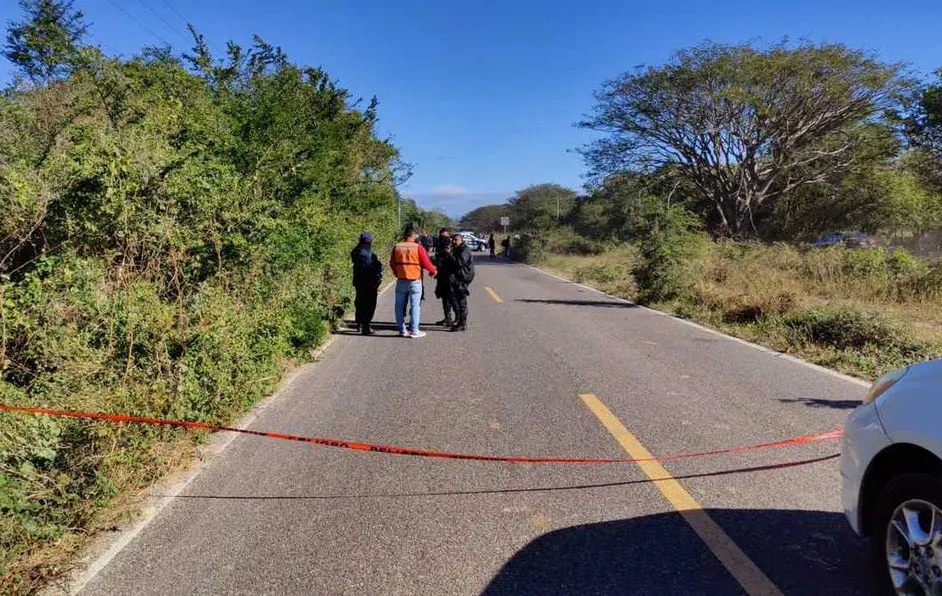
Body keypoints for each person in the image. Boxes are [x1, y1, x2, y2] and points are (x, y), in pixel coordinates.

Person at [390, 226, 437, 338]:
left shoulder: (397, 247)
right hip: (415, 280)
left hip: (401, 280)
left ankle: (402, 330)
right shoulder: (418, 248)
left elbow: (392, 263)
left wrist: (398, 274)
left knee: (399, 306)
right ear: (414, 235)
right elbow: (426, 263)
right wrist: (434, 271)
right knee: (415, 305)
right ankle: (415, 330)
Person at [440, 232, 474, 332]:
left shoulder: (465, 250)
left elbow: (459, 263)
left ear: (462, 240)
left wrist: (449, 254)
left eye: (456, 240)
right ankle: (460, 321)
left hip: (463, 278)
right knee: (457, 300)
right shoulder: (457, 249)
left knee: (462, 301)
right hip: (457, 278)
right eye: (453, 240)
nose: (454, 242)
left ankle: (463, 324)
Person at [350, 232, 382, 335]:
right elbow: (376, 266)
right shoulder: (368, 254)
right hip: (369, 281)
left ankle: (359, 322)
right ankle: (366, 326)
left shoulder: (355, 251)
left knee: (359, 300)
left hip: (359, 280)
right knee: (369, 303)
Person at [434, 228, 455, 326]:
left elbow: (452, 260)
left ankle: (459, 319)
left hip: (449, 275)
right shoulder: (440, 245)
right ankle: (448, 318)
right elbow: (439, 259)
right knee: (444, 297)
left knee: (451, 298)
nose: (443, 238)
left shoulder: (451, 245)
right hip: (441, 274)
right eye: (442, 236)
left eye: (445, 236)